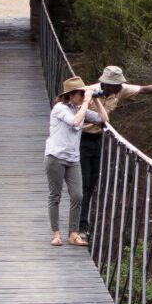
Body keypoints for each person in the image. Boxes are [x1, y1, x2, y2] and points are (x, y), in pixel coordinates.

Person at [77, 65, 152, 238]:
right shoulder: (87, 92)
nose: (120, 87)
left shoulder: (118, 90)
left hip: (96, 139)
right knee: (84, 183)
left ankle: (82, 223)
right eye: (117, 84)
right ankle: (81, 227)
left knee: (92, 182)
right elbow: (62, 103)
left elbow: (143, 90)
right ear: (106, 84)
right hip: (80, 138)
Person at [45, 76, 107, 247]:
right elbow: (75, 122)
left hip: (73, 159)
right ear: (71, 95)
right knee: (55, 196)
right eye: (80, 93)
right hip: (55, 157)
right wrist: (86, 103)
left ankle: (73, 234)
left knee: (78, 195)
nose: (82, 96)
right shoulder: (60, 108)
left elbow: (104, 120)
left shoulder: (79, 107)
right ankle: (56, 234)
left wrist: (96, 99)